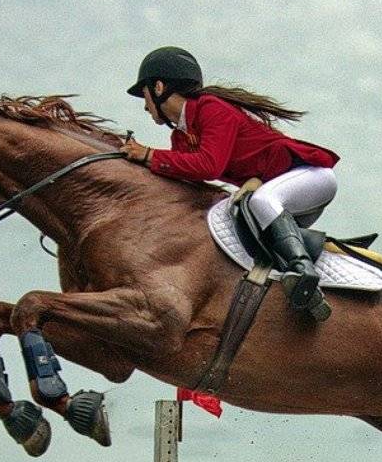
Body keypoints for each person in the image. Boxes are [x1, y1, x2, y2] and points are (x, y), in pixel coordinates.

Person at [123, 46, 341, 321]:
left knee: (261, 200)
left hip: (311, 176)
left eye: (144, 95)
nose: (144, 106)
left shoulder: (211, 109)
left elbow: (208, 165)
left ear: (158, 86)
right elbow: (183, 175)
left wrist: (148, 154)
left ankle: (303, 273)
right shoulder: (181, 137)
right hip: (282, 193)